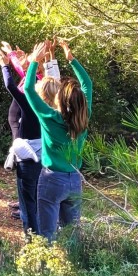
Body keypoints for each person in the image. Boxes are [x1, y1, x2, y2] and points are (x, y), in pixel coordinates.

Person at [23, 39, 92, 240]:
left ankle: (47, 260)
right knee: (72, 234)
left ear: (59, 100)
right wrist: (71, 59)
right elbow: (87, 84)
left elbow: (28, 89)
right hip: (75, 179)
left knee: (47, 233)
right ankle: (72, 258)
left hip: (52, 179)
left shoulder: (50, 117)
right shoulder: (84, 118)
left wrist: (34, 62)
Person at [0, 44, 42, 236]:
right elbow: (23, 74)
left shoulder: (31, 102)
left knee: (29, 201)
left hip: (28, 157)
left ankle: (31, 237)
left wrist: (4, 64)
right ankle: (39, 232)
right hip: (40, 154)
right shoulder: (49, 107)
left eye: (29, 63)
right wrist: (12, 56)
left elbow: (11, 86)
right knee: (34, 195)